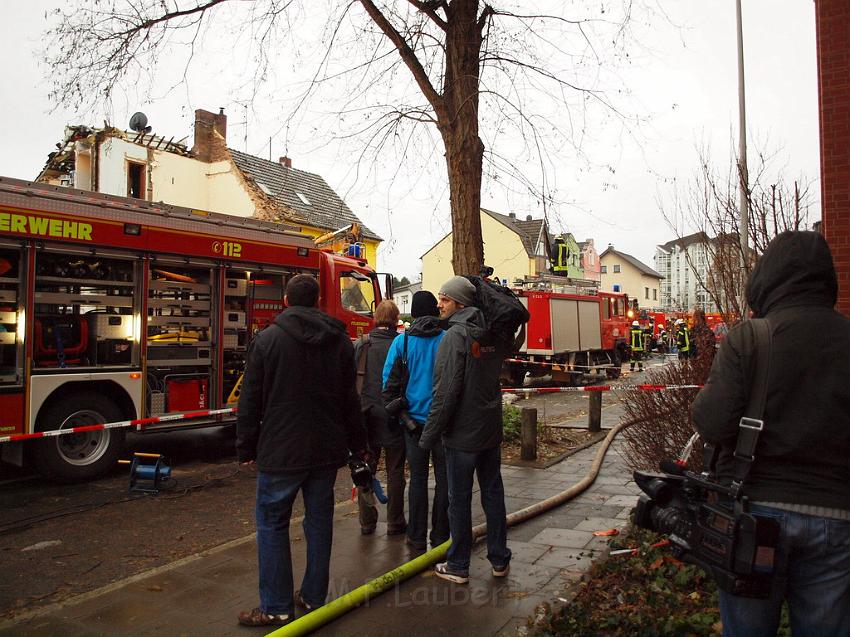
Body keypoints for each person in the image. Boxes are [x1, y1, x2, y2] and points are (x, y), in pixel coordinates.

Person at [691, 231, 850, 637]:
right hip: (836, 516)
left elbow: (711, 422)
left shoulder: (751, 339)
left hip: (754, 520)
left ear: (768, 277)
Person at [235, 274, 368, 628]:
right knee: (320, 521)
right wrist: (358, 444)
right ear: (318, 300)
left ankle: (276, 606)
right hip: (326, 450)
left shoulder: (267, 340)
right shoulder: (339, 341)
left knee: (273, 523)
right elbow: (348, 400)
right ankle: (312, 596)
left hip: (281, 450)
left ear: (285, 300)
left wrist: (246, 445)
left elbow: (251, 398)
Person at [420, 276, 511, 584]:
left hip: (461, 434)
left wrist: (428, 436)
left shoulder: (454, 337)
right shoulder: (492, 332)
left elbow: (445, 393)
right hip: (489, 429)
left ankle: (458, 564)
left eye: (444, 299)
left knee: (458, 499)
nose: (438, 304)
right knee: (492, 493)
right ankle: (500, 559)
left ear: (459, 303)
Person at [383, 290, 448, 551]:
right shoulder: (447, 339)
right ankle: (442, 537)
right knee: (444, 480)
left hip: (413, 424)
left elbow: (387, 383)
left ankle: (417, 537)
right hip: (443, 423)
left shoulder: (402, 342)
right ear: (434, 310)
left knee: (418, 479)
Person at [353, 300, 406, 536]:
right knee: (395, 471)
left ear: (375, 318)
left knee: (365, 469)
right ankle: (395, 521)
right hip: (394, 414)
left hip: (366, 416)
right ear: (396, 320)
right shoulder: (402, 344)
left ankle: (367, 521)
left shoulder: (362, 344)